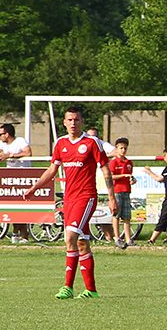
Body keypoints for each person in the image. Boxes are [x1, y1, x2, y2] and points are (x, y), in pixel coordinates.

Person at [24, 106, 118, 299]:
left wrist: (111, 198)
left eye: (76, 119)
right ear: (64, 122)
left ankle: (67, 286)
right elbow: (51, 170)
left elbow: (105, 170)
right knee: (81, 242)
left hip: (87, 196)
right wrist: (34, 188)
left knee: (70, 238)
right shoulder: (60, 143)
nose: (73, 123)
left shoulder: (92, 142)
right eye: (70, 120)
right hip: (70, 198)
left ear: (81, 121)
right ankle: (91, 290)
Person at [0, 123, 32, 243]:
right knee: (14, 208)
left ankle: (23, 235)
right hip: (11, 180)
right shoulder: (2, 144)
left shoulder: (20, 141)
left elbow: (28, 153)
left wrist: (11, 155)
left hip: (23, 178)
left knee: (22, 208)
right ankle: (17, 234)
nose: (0, 136)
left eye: (1, 134)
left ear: (7, 134)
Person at [144, 147, 167, 245]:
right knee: (163, 218)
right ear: (164, 158)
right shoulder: (165, 170)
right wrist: (149, 172)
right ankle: (152, 240)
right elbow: (159, 179)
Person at [86, 127, 117, 243]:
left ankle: (110, 236)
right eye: (89, 136)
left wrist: (101, 157)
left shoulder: (102, 145)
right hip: (89, 182)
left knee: (103, 211)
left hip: (101, 183)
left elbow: (115, 151)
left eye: (94, 136)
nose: (92, 138)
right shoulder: (84, 145)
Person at [109, 137, 136, 249]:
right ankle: (117, 237)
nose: (123, 150)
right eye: (121, 148)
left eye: (125, 148)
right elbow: (110, 176)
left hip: (126, 191)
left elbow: (130, 176)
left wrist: (132, 180)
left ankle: (128, 239)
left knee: (127, 216)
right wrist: (123, 176)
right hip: (117, 191)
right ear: (116, 149)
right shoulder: (114, 162)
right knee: (116, 215)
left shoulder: (129, 162)